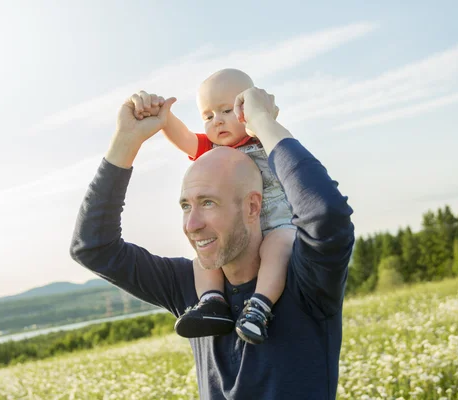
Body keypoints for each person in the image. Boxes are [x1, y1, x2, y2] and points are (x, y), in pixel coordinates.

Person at [70, 84, 354, 399]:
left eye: (207, 203)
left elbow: (325, 214)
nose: (191, 225)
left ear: (252, 206)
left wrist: (263, 123)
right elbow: (93, 247)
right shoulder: (191, 290)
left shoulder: (308, 279)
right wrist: (126, 141)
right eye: (185, 205)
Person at [138, 69, 296, 345]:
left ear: (248, 108)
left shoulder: (264, 140)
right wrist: (164, 119)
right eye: (208, 116)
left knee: (280, 246)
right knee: (204, 257)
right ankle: (212, 302)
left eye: (226, 111)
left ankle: (259, 306)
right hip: (232, 233)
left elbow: (290, 155)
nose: (217, 122)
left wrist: (263, 121)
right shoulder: (210, 150)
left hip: (275, 224)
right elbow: (184, 137)